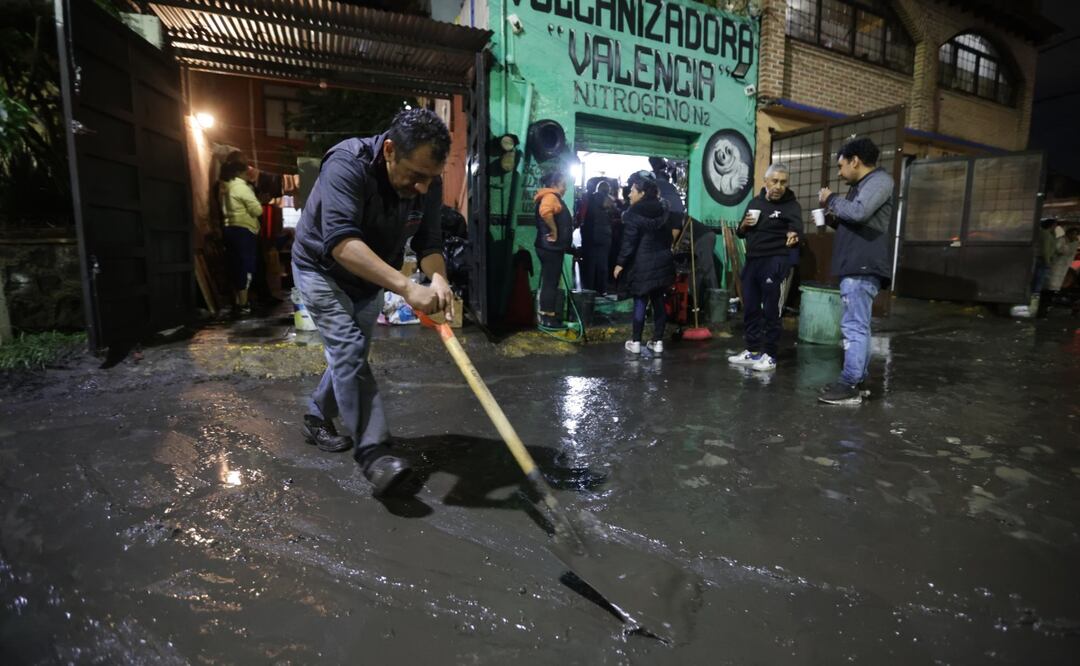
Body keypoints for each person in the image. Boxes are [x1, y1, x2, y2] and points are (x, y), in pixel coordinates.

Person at [291, 108, 454, 497]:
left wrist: (438, 277)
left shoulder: (427, 180)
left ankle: (316, 415)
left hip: (370, 278)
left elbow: (428, 243)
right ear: (390, 150)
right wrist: (404, 286)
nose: (422, 188)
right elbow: (343, 243)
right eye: (415, 176)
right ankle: (374, 453)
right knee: (348, 350)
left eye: (430, 179)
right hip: (322, 268)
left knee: (353, 354)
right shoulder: (347, 164)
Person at [816, 137, 894, 405]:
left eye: (841, 166)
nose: (839, 172)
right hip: (857, 264)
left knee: (853, 327)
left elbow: (859, 213)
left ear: (855, 161)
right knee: (858, 325)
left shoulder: (879, 182)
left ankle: (849, 385)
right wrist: (834, 217)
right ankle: (856, 380)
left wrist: (832, 199)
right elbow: (858, 222)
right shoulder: (864, 185)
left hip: (863, 266)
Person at [727, 163, 801, 372]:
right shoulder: (755, 202)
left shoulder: (791, 206)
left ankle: (770, 354)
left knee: (771, 310)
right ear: (766, 181)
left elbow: (797, 229)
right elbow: (741, 232)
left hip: (776, 260)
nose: (778, 186)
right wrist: (744, 226)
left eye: (783, 182)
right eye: (775, 181)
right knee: (750, 307)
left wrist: (793, 235)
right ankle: (752, 350)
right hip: (753, 260)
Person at [614, 170, 675, 355]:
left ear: (641, 193)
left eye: (633, 190)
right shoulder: (664, 210)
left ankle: (636, 342)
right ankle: (657, 342)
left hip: (643, 263)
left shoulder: (633, 213)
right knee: (658, 301)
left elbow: (629, 242)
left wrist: (620, 263)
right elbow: (669, 237)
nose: (629, 194)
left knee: (640, 300)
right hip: (663, 261)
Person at [219, 159, 263, 316]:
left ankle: (238, 303)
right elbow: (257, 210)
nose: (247, 175)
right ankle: (243, 304)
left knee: (235, 265)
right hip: (244, 230)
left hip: (229, 229)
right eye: (245, 172)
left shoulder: (225, 187)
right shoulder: (241, 187)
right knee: (246, 266)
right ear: (239, 173)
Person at [533, 170, 573, 328]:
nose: (565, 189)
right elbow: (545, 212)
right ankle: (548, 318)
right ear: (554, 185)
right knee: (551, 282)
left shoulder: (547, 196)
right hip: (550, 248)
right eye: (563, 185)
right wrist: (555, 231)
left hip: (549, 247)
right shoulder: (551, 197)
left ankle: (547, 315)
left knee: (550, 281)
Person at [580, 180, 614, 295]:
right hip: (605, 235)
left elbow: (582, 216)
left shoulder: (589, 199)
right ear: (608, 190)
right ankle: (602, 290)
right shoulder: (611, 201)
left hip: (591, 234)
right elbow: (615, 217)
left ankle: (589, 290)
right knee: (603, 263)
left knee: (590, 263)